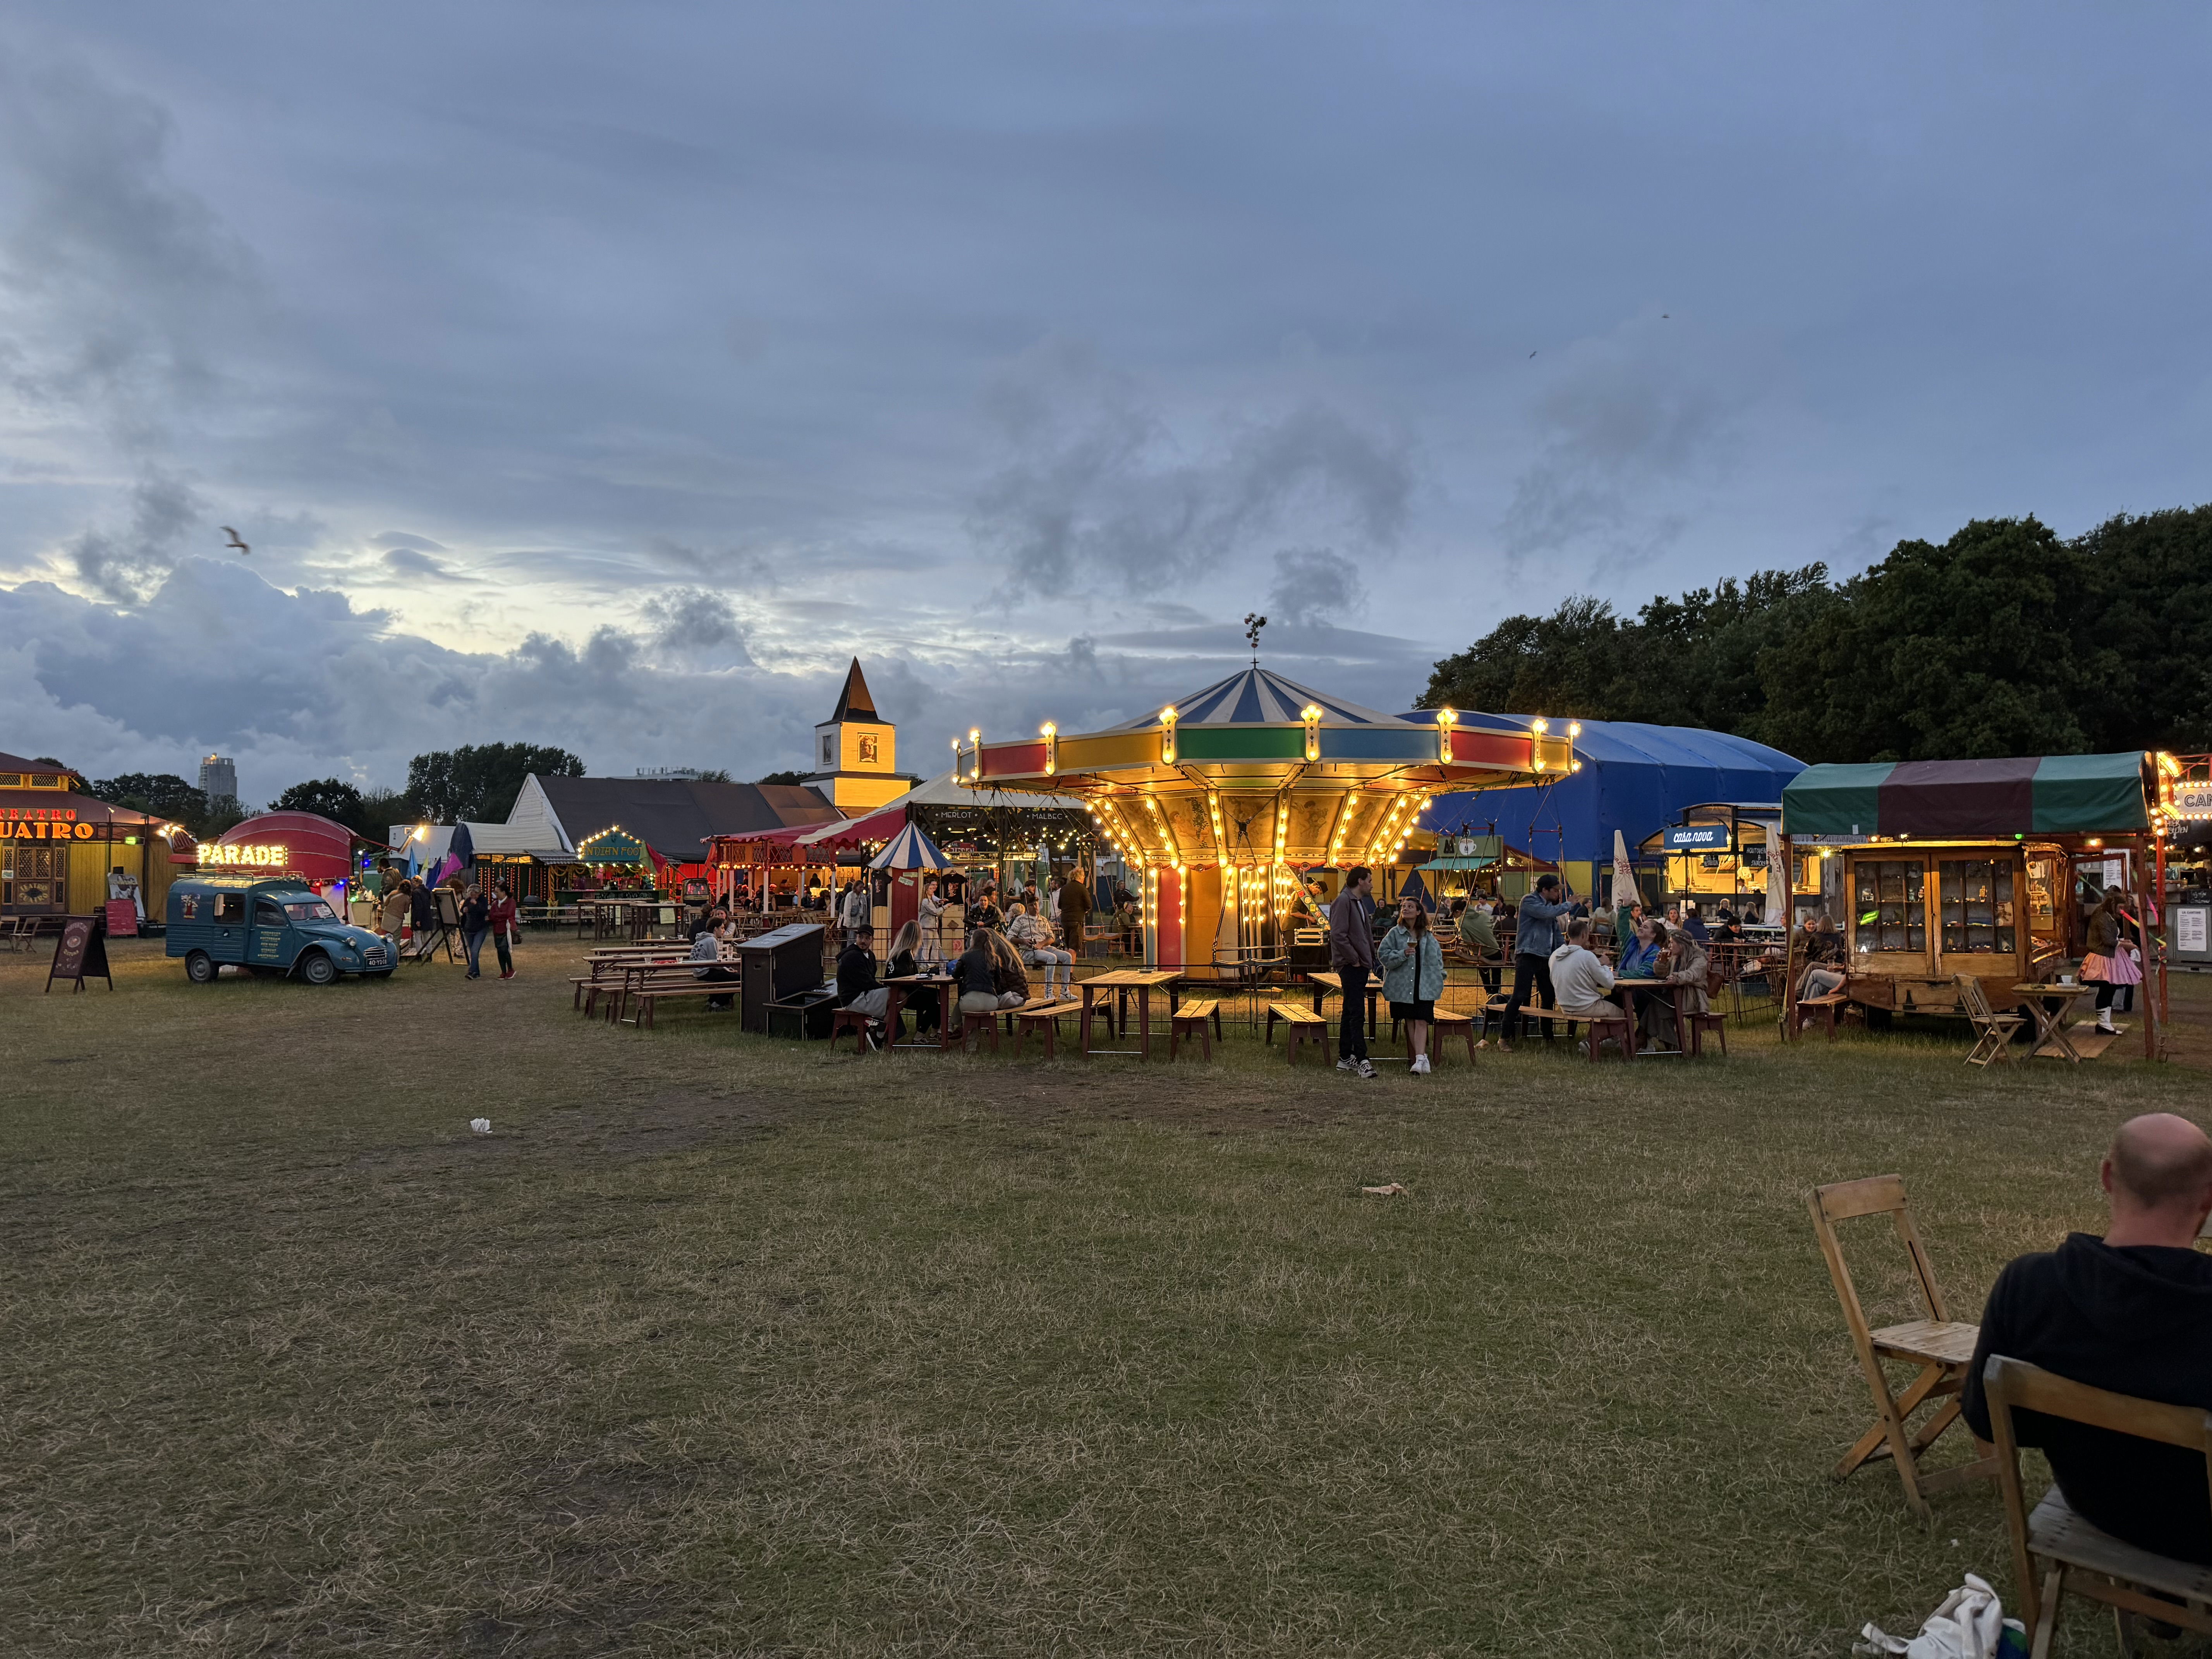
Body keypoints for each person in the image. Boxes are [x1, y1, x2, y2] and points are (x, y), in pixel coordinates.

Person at [1961, 1113, 2212, 1565]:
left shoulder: (2028, 1286)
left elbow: (1987, 1421)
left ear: (2107, 1177)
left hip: (2100, 1510)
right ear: (2209, 1201)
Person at [1502, 873, 1573, 1050]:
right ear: (1545, 890)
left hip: (1545, 957)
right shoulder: (1529, 901)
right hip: (1528, 954)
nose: (1558, 894)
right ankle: (1504, 1038)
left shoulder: (1548, 907)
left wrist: (1565, 951)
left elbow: (1556, 933)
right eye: (1556, 890)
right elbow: (1546, 914)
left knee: (1549, 997)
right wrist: (1570, 904)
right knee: (1519, 995)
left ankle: (1548, 1038)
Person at [1379, 895, 1446, 1075]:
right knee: (1410, 1019)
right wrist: (1402, 954)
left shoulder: (1428, 936)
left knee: (1421, 1019)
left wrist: (1440, 977)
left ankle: (1420, 1059)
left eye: (1410, 906)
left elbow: (1438, 960)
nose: (1405, 909)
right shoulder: (1395, 933)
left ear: (1418, 912)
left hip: (1424, 984)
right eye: (1403, 906)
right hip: (1403, 985)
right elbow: (1383, 955)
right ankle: (1420, 1059)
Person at [1327, 864, 1379, 1078]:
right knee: (1357, 1012)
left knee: (1350, 1010)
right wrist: (1354, 959)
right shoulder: (1344, 902)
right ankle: (1362, 1059)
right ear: (1360, 881)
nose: (1372, 884)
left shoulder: (1356, 902)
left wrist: (1368, 958)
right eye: (1369, 880)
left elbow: (1362, 934)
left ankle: (1345, 1056)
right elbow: (1338, 935)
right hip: (1352, 965)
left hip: (1359, 963)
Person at [1548, 917, 1623, 1044]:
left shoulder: (1555, 955)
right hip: (1586, 1006)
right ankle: (1595, 1041)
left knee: (1610, 1005)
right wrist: (1604, 965)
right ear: (1584, 935)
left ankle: (1606, 1041)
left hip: (1565, 1005)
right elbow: (1609, 984)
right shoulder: (1587, 956)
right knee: (1621, 1013)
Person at [2082, 887, 2136, 1035]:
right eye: (2120, 907)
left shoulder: (2108, 915)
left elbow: (2112, 939)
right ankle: (2103, 1024)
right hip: (2102, 957)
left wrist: (2122, 941)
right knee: (2106, 989)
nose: (2121, 911)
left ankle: (2105, 1023)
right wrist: (2126, 945)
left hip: (2109, 956)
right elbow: (2107, 940)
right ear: (2112, 904)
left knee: (2110, 989)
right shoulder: (2101, 916)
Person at [1649, 923, 1711, 1048]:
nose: (1670, 946)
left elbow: (1693, 974)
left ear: (1681, 944)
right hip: (1674, 995)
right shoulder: (1675, 957)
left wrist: (1678, 978)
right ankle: (1669, 1043)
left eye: (1672, 943)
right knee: (1652, 1003)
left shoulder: (1699, 957)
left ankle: (1648, 1039)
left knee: (1658, 1006)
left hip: (1692, 997)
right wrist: (1662, 963)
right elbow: (1662, 974)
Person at [836, 926, 891, 1045]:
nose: (863, 941)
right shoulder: (852, 956)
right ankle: (879, 1033)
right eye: (861, 937)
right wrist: (884, 989)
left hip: (862, 994)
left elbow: (869, 980)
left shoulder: (870, 956)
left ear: (872, 940)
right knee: (895, 995)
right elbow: (865, 982)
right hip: (853, 999)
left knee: (896, 997)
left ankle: (879, 1029)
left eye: (867, 938)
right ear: (856, 937)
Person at [1008, 902, 1073, 996]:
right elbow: (1009, 937)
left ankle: (1065, 991)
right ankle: (1049, 993)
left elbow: (1051, 937)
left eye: (1036, 904)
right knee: (1052, 958)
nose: (1035, 907)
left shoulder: (1043, 920)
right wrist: (1023, 941)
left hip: (1045, 948)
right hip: (1029, 951)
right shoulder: (1020, 920)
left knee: (1067, 956)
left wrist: (1042, 944)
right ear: (1027, 907)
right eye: (1032, 905)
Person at [885, 919, 938, 1035]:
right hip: (905, 996)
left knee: (935, 996)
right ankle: (923, 1034)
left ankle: (933, 1032)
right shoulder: (905, 955)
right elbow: (909, 981)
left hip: (896, 993)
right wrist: (922, 978)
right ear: (916, 937)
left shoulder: (896, 953)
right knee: (936, 998)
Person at [1455, 897, 1501, 995]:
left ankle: (1489, 994)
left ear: (1458, 912)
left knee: (1485, 976)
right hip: (1496, 951)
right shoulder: (1484, 915)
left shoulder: (1461, 921)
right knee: (1497, 976)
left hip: (1481, 954)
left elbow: (1467, 941)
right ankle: (1496, 996)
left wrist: (1460, 937)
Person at [687, 923, 737, 1009]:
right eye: (722, 928)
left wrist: (726, 969)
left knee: (728, 978)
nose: (724, 931)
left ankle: (712, 1001)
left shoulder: (704, 939)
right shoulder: (711, 940)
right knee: (738, 978)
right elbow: (715, 962)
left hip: (699, 971)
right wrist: (727, 970)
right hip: (704, 972)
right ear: (715, 929)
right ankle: (718, 1004)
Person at [487, 881, 519, 981]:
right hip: (497, 929)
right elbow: (492, 916)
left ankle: (510, 969)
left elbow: (509, 914)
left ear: (504, 892)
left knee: (504, 949)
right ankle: (503, 972)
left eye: (498, 892)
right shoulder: (495, 904)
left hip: (507, 929)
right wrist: (499, 916)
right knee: (499, 951)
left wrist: (497, 915)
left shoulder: (511, 902)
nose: (496, 895)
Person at [1058, 869, 1092, 959]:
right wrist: (1084, 910)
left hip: (1065, 920)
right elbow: (1089, 905)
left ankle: (1065, 968)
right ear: (1081, 877)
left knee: (1067, 945)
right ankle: (1070, 971)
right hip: (1077, 920)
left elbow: (1059, 905)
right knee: (1073, 947)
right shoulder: (1082, 888)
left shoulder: (1064, 888)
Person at [459, 882, 490, 979]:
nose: (472, 896)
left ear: (479, 894)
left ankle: (472, 972)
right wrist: (464, 910)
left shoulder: (483, 901)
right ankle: (476, 972)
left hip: (481, 929)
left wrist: (476, 905)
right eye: (471, 894)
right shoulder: (468, 900)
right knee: (472, 952)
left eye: (474, 894)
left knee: (475, 950)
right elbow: (462, 912)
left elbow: (484, 911)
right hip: (469, 929)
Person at [918, 877, 950, 963]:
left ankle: (934, 962)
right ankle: (924, 964)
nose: (933, 890)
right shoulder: (925, 901)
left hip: (933, 926)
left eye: (933, 888)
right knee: (927, 947)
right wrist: (946, 907)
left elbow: (936, 902)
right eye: (931, 889)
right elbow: (935, 912)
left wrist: (941, 902)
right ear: (926, 891)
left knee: (937, 945)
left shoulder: (931, 900)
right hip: (927, 927)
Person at [380, 876, 412, 948]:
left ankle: (386, 956)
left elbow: (386, 904)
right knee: (396, 940)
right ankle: (396, 957)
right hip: (397, 920)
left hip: (387, 918)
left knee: (385, 938)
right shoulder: (407, 898)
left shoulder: (394, 893)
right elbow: (406, 911)